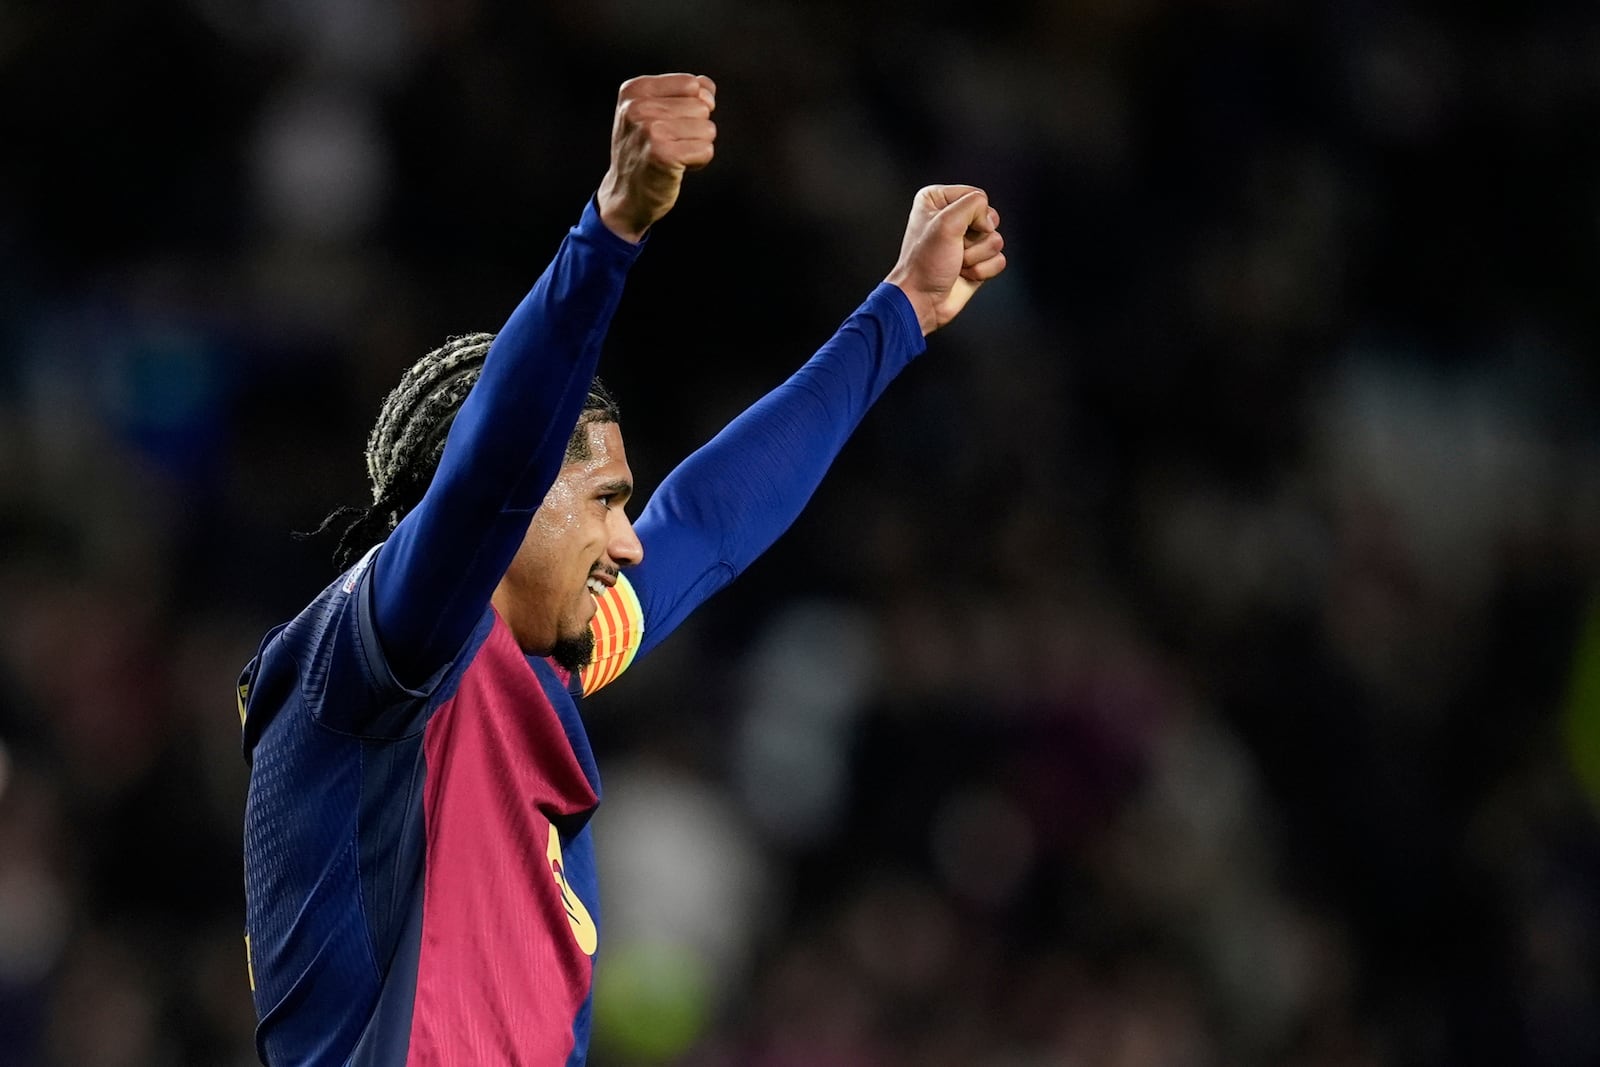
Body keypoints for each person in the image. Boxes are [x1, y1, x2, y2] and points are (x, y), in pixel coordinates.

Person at [237, 71, 1006, 1067]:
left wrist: (900, 311)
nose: (630, 540)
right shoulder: (377, 653)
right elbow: (493, 472)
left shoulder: (515, 664)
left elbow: (706, 521)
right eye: (604, 502)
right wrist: (610, 229)